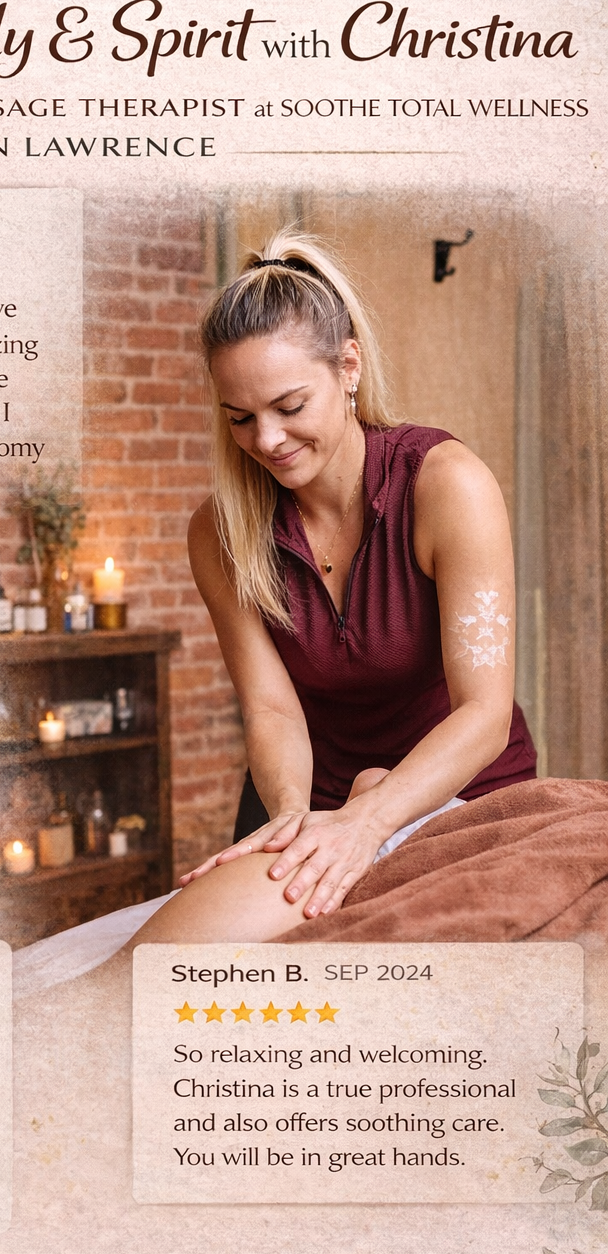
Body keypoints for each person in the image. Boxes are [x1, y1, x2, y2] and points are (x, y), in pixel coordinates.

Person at [135, 227, 537, 945]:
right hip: (311, 798)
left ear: (348, 365)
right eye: (240, 418)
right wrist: (293, 817)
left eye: (290, 406)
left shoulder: (449, 487)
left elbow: (484, 712)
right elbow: (272, 710)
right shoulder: (220, 534)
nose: (267, 440)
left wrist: (369, 821)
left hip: (458, 790)